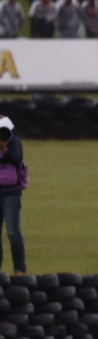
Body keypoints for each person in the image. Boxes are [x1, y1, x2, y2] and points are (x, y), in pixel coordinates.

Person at [0, 116, 28, 275]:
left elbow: (17, 160)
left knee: (13, 232)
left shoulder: (14, 142)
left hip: (11, 192)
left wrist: (5, 150)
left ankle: (20, 269)